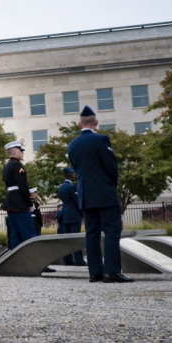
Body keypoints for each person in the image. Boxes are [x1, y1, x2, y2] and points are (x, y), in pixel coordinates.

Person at [67, 106, 132, 283]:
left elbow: (76, 167)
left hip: (85, 194)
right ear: (96, 122)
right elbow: (111, 168)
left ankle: (94, 272)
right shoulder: (101, 140)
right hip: (104, 193)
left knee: (92, 233)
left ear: (79, 124)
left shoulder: (72, 144)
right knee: (112, 231)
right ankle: (111, 271)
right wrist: (112, 186)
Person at [2, 140, 35, 249]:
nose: (22, 153)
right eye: (21, 151)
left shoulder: (6, 166)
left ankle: (15, 263)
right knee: (28, 234)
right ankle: (34, 263)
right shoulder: (17, 166)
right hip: (20, 203)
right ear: (15, 152)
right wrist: (30, 203)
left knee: (14, 235)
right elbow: (23, 187)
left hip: (11, 203)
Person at [59, 167, 86, 265]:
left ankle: (68, 259)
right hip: (74, 215)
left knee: (67, 238)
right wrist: (83, 214)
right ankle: (78, 260)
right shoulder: (71, 187)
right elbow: (76, 201)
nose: (74, 176)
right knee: (76, 238)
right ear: (70, 175)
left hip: (65, 214)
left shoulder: (61, 187)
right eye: (73, 174)